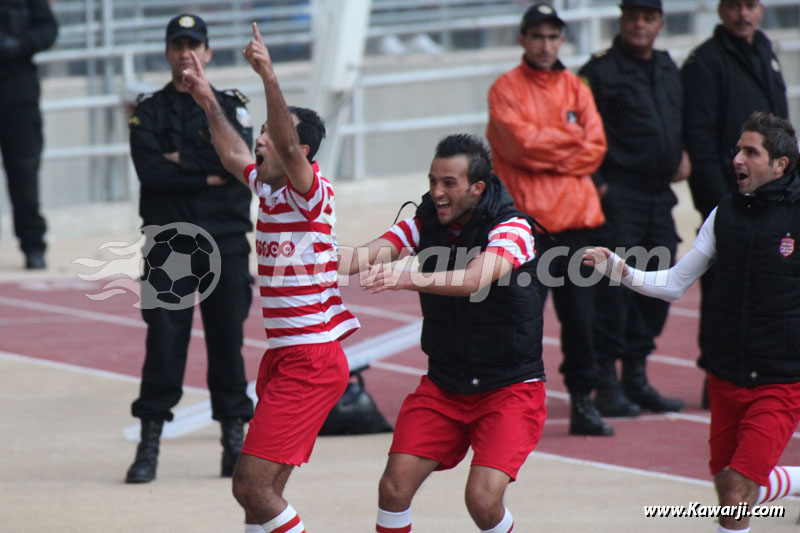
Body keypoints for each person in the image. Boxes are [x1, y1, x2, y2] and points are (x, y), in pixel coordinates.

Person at [584, 112, 800, 532]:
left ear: (780, 166)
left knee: (737, 494)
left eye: (750, 152)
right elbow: (673, 283)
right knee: (727, 488)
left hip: (780, 379)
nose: (736, 158)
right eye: (737, 148)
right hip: (725, 375)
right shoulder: (724, 214)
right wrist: (621, 272)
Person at [182, 22, 360, 532]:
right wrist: (206, 99)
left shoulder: (311, 191)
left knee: (250, 486)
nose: (260, 138)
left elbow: (284, 136)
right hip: (287, 356)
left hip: (310, 357)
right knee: (262, 494)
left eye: (269, 133)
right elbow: (232, 152)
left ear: (300, 153)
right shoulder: (269, 188)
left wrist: (268, 76)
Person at [342, 133, 545, 533]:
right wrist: (301, 255)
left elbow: (474, 280)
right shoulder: (423, 224)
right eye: (433, 181)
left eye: (448, 183)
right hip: (445, 383)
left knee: (482, 501)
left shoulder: (514, 229)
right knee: (393, 488)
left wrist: (408, 277)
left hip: (508, 387)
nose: (436, 192)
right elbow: (361, 256)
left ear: (477, 188)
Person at [125, 13, 255, 484]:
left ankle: (233, 443)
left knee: (228, 345)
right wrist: (208, 170)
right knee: (163, 344)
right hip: (170, 244)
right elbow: (151, 174)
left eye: (193, 44)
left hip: (226, 240)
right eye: (177, 45)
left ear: (208, 53)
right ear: (167, 52)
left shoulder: (230, 107)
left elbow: (242, 164)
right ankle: (149, 446)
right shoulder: (150, 110)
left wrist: (182, 162)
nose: (185, 53)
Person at [486, 3, 611, 435]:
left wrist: (551, 148)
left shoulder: (576, 87)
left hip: (578, 225)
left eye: (552, 36)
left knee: (582, 323)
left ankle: (583, 402)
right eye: (537, 36)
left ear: (561, 40)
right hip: (528, 228)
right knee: (521, 322)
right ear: (522, 39)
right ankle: (512, 406)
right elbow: (520, 147)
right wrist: (570, 144)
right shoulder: (504, 89)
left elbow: (596, 148)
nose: (545, 44)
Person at [577, 0, 687, 417]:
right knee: (614, 290)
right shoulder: (600, 70)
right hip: (618, 195)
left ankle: (636, 377)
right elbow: (576, 129)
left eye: (649, 17)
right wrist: (599, 185)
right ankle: (606, 383)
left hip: (660, 195)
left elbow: (680, 120)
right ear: (621, 19)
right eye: (632, 16)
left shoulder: (666, 66)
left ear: (659, 22)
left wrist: (685, 153)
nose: (640, 24)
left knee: (660, 281)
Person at [682, 0, 789, 406]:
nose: (743, 14)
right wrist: (720, 205)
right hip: (731, 201)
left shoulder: (765, 50)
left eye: (751, 5)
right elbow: (701, 138)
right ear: (720, 10)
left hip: (776, 199)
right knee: (723, 292)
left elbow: (782, 131)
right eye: (734, 5)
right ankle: (717, 374)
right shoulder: (705, 63)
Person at [0, 0, 58, 269]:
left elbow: (48, 28)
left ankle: (33, 246)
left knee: (24, 173)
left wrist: (20, 44)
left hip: (18, 87)